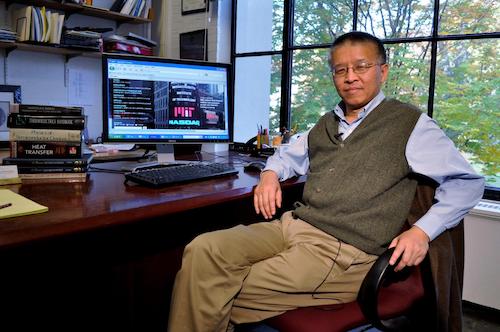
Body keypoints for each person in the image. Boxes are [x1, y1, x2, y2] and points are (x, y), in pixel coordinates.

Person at [167, 31, 484, 332]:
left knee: (210, 284)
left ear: (383, 72)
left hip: (344, 251)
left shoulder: (410, 124)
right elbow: (286, 155)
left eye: (362, 66)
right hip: (292, 226)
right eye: (340, 70)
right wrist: (268, 176)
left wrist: (421, 231)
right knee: (203, 251)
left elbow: (467, 184)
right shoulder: (327, 122)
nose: (350, 77)